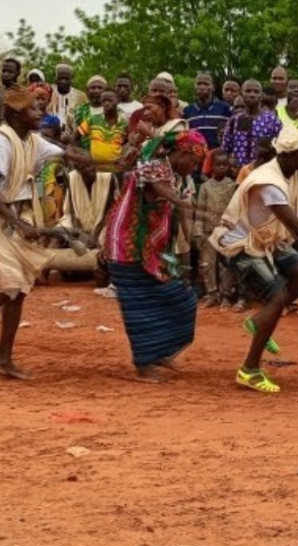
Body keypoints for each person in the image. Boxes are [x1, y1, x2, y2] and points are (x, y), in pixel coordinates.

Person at [210, 126, 298, 393]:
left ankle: (260, 321)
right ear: (286, 156)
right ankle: (249, 369)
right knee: (277, 297)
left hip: (267, 240)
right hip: (240, 244)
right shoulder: (268, 182)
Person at [103, 95, 201, 382]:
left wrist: (193, 233)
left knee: (180, 299)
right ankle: (144, 364)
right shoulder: (155, 166)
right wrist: (191, 208)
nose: (194, 168)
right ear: (182, 154)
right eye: (194, 161)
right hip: (127, 247)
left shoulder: (173, 173)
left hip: (146, 248)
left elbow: (175, 204)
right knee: (141, 305)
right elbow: (160, 190)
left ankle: (157, 353)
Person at [0, 87, 89, 378]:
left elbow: (69, 154)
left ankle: (4, 360)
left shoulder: (32, 141)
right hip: (7, 220)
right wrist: (19, 223)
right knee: (12, 287)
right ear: (15, 114)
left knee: (17, 291)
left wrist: (114, 164)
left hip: (13, 220)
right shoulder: (3, 142)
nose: (40, 112)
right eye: (33, 108)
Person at [195, 150, 239, 308]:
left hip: (226, 232)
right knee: (207, 263)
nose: (222, 168)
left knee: (226, 265)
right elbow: (200, 210)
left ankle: (225, 294)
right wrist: (198, 231)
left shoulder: (232, 186)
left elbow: (236, 209)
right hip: (208, 232)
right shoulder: (205, 187)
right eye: (218, 165)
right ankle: (211, 293)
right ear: (212, 166)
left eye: (225, 165)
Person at [221, 79, 281, 169]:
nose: (252, 95)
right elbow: (225, 149)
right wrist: (231, 163)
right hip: (238, 172)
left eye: (256, 92)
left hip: (264, 171)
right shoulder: (234, 121)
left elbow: (280, 149)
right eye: (248, 91)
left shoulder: (272, 120)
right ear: (241, 94)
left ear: (261, 95)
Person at [75, 87, 128, 169]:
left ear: (118, 101)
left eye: (110, 100)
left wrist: (123, 157)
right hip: (94, 168)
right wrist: (81, 156)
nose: (106, 103)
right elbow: (75, 137)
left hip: (115, 169)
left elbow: (128, 143)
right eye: (104, 101)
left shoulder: (124, 124)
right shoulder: (92, 119)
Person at [183, 72, 233, 150]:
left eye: (206, 84)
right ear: (194, 87)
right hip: (196, 155)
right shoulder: (187, 111)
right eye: (199, 84)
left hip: (219, 154)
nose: (202, 87)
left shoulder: (225, 108)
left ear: (213, 87)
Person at [48, 64, 87, 131]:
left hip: (72, 134)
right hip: (48, 133)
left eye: (66, 79)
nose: (63, 81)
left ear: (71, 79)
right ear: (56, 79)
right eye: (61, 78)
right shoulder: (48, 92)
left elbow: (85, 119)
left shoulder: (81, 96)